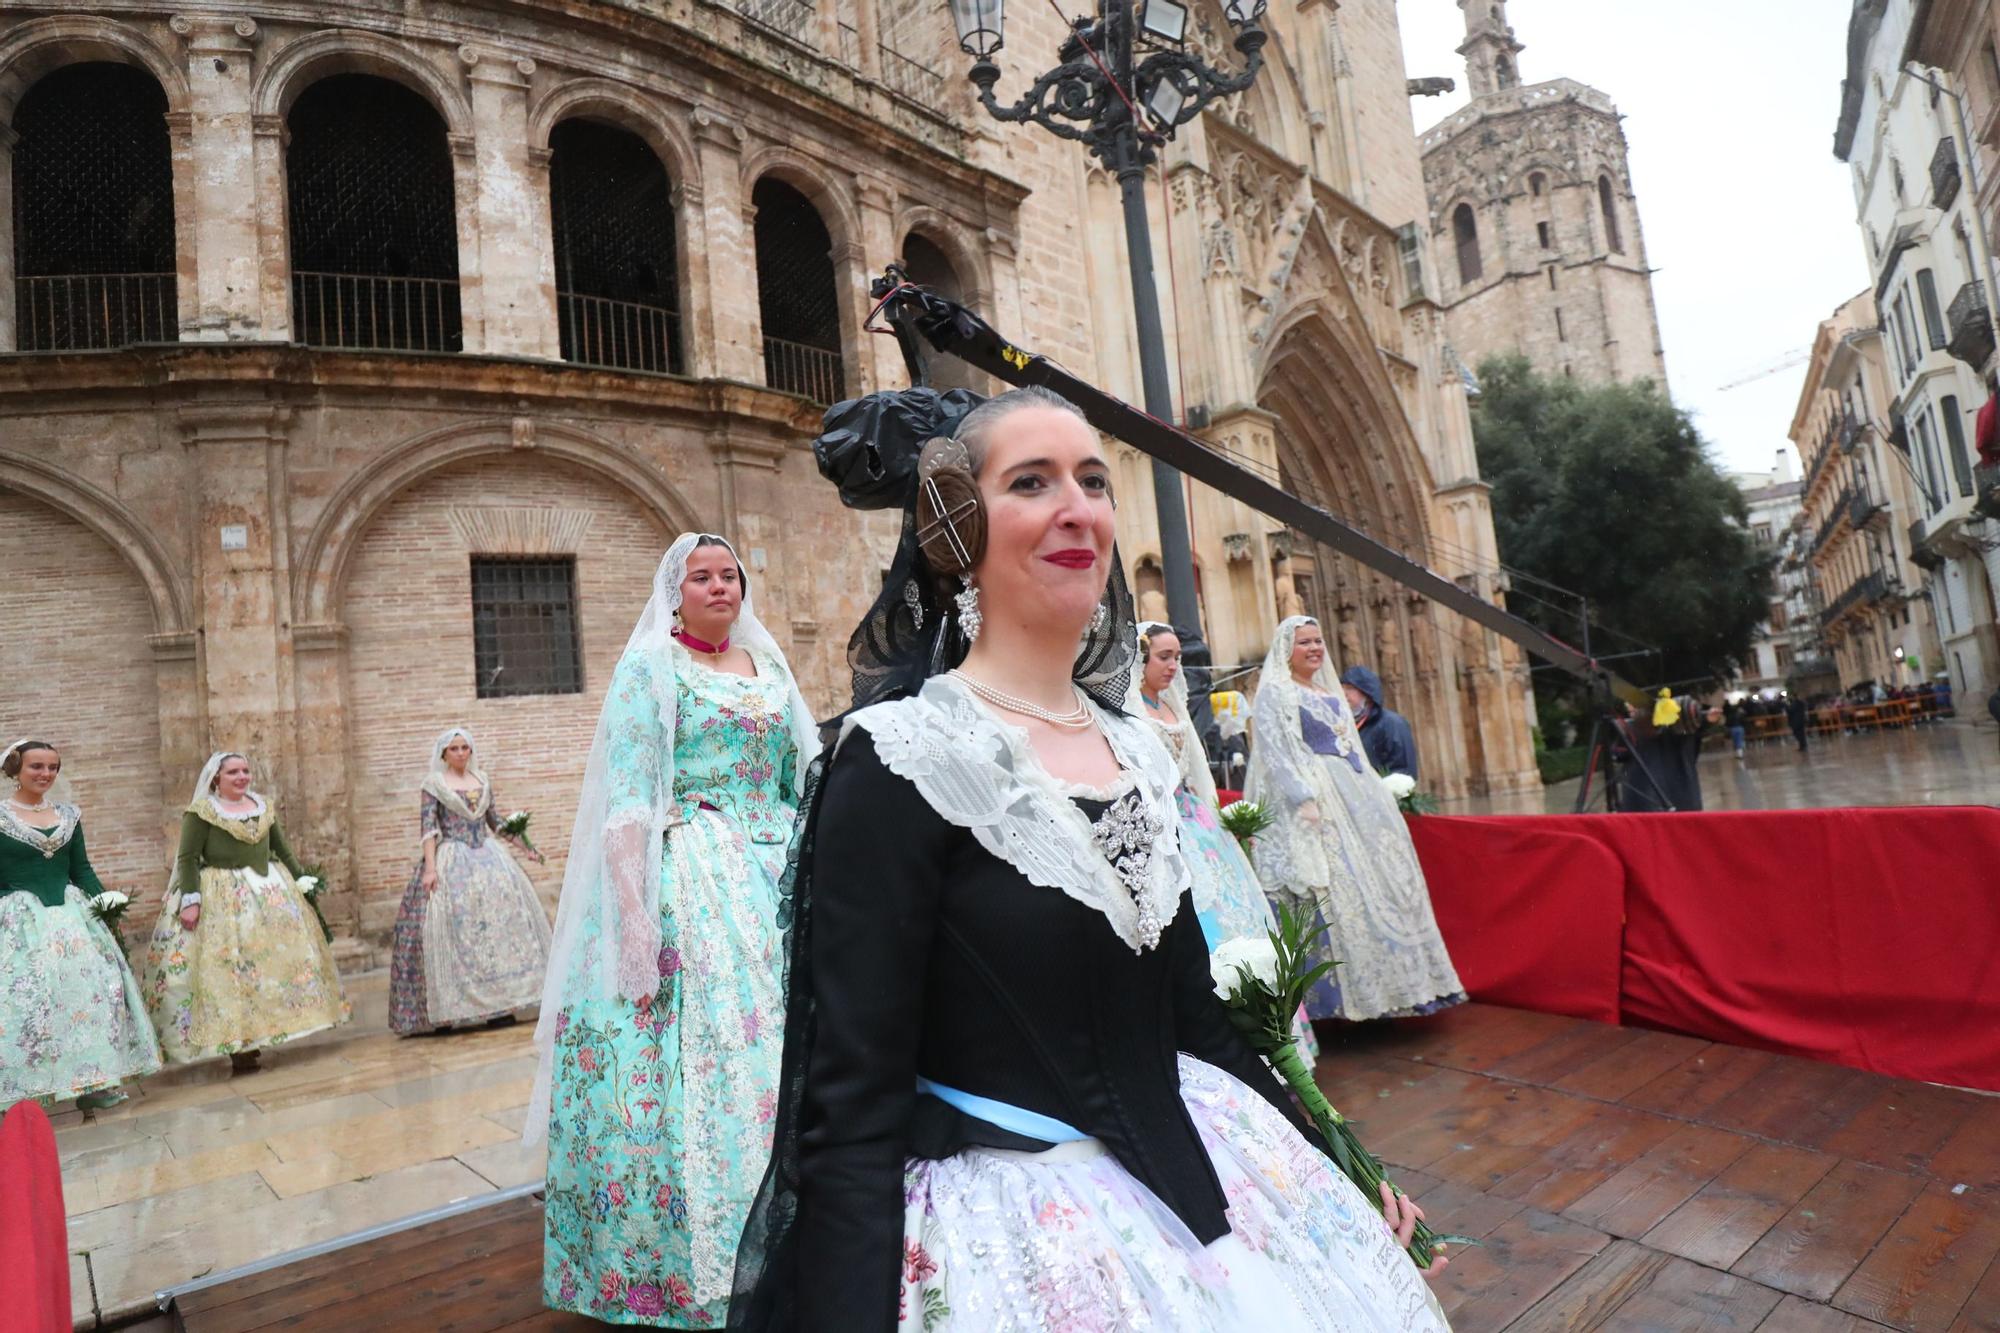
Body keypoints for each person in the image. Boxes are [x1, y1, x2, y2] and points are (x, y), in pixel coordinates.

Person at [731, 386, 1449, 1331]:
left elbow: (1198, 1016)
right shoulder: (903, 757)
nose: (1079, 506)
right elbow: (852, 1102)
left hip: (1207, 1164)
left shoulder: (1139, 750)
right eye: (1032, 481)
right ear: (956, 521)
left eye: (1095, 480)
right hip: (1022, 1227)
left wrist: (1340, 1162)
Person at [530, 532, 817, 1327]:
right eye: (703, 576)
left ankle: (809, 1232)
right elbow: (629, 795)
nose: (721, 587)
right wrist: (633, 920)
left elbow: (802, 770)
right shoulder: (652, 668)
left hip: (780, 871)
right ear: (676, 591)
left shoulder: (772, 667)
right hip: (697, 874)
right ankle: (708, 1262)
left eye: (730, 575)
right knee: (719, 1060)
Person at [1246, 617, 1465, 1022]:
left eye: (1318, 640)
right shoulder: (1277, 691)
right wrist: (1302, 797)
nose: (1314, 648)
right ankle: (1337, 1002)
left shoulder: (1327, 692)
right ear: (1285, 650)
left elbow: (1354, 750)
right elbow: (1276, 751)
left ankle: (1404, 989)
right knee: (1337, 887)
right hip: (1318, 800)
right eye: (1304, 643)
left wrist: (1378, 798)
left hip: (1355, 795)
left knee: (1382, 884)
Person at [1128, 622, 1316, 1062]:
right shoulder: (1132, 712)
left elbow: (1197, 770)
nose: (1174, 666)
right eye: (1164, 657)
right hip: (1165, 823)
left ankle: (1272, 1034)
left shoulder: (1173, 707)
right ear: (1142, 659)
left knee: (1238, 912)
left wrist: (1218, 818)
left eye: (1177, 656)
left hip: (1197, 822)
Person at [138, 752, 350, 1073]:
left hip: (268, 893)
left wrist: (302, 879)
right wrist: (191, 900)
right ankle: (238, 1044)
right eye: (233, 772)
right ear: (216, 779)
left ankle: (264, 1031)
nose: (241, 777)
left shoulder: (262, 805)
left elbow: (281, 847)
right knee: (231, 968)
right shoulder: (201, 813)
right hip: (221, 896)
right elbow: (188, 858)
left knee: (268, 966)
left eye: (245, 771)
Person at [0, 739, 160, 1110]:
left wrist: (105, 904)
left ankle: (93, 1081)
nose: (46, 774)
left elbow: (81, 869)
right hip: (18, 922)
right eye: (36, 766)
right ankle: (26, 1090)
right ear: (15, 770)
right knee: (25, 1004)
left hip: (72, 921)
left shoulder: (69, 815)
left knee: (88, 998)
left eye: (53, 767)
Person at [389, 727, 551, 1036]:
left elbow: (496, 822)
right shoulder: (434, 785)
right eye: (454, 749)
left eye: (465, 748)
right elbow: (428, 828)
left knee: (498, 929)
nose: (461, 753)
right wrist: (431, 868)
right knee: (452, 929)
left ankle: (502, 1006)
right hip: (452, 860)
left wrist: (526, 847)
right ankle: (449, 1010)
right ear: (444, 754)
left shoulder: (482, 780)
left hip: (489, 858)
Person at [1341, 664, 1419, 779]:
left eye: (1350, 688)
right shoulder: (1343, 724)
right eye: (1341, 688)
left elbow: (1404, 770)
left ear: (1367, 693)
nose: (1343, 693)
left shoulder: (1392, 723)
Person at [1723, 695, 1746, 760]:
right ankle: (1740, 753)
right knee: (1739, 740)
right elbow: (1743, 721)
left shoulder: (1730, 716)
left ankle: (1739, 754)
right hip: (1740, 728)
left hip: (1733, 729)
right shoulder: (1740, 715)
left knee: (1736, 741)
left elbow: (1727, 723)